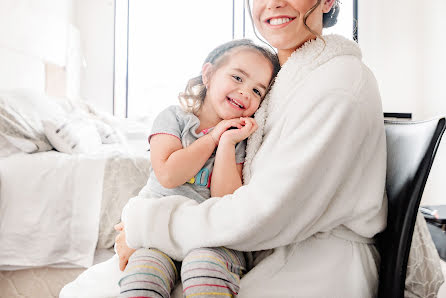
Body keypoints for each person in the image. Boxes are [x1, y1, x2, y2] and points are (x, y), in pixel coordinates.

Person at [61, 0, 388, 297]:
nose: (273, 3)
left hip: (310, 262)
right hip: (254, 241)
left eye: (255, 88)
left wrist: (147, 225)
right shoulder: (286, 81)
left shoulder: (336, 85)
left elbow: (263, 214)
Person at [115, 39, 280, 298]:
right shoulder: (173, 118)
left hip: (210, 237)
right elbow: (169, 174)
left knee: (204, 267)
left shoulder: (237, 138)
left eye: (257, 91)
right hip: (158, 230)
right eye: (237, 77)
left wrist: (226, 143)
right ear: (209, 74)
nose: (245, 92)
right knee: (143, 276)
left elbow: (225, 201)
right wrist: (212, 137)